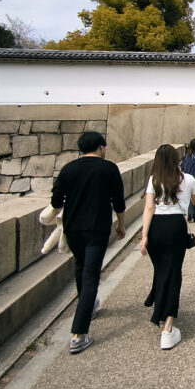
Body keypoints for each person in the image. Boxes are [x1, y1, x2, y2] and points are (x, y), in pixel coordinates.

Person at [51, 131, 126, 355]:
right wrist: (121, 226)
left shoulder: (68, 169)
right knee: (91, 274)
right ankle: (78, 334)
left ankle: (89, 306)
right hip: (97, 228)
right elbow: (119, 201)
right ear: (101, 147)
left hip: (73, 229)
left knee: (81, 267)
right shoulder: (109, 168)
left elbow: (56, 201)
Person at [139, 145, 195, 350]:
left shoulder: (153, 180)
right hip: (176, 226)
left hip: (156, 226)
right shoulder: (188, 179)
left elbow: (149, 208)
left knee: (161, 269)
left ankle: (159, 308)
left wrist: (144, 235)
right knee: (174, 273)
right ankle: (168, 327)